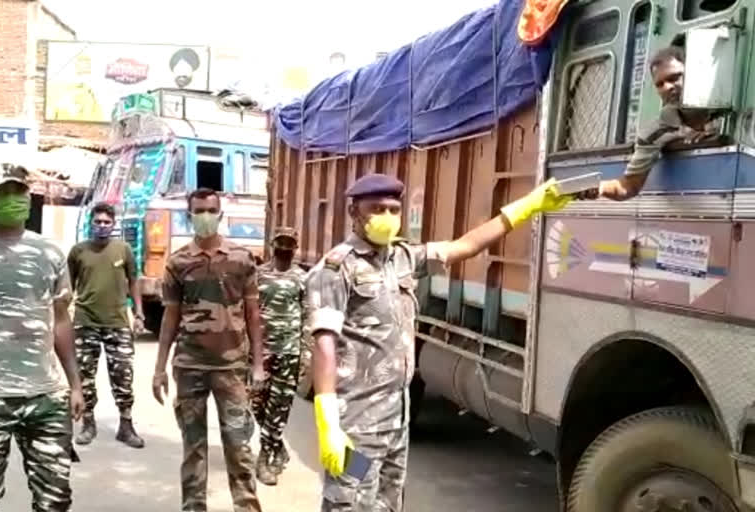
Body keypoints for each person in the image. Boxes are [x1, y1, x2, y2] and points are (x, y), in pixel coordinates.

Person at [307, 173, 571, 511]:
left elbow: (465, 246)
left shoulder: (403, 257)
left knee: (386, 503)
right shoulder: (336, 269)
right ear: (354, 212)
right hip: (355, 425)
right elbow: (324, 343)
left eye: (393, 209)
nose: (387, 217)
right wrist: (328, 422)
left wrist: (527, 207)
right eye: (376, 209)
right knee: (350, 502)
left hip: (394, 421)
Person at [152, 188, 266, 512]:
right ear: (189, 215)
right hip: (190, 368)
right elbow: (170, 318)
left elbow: (254, 315)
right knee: (193, 448)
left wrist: (258, 365)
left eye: (210, 210)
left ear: (220, 213)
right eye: (198, 210)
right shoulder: (178, 263)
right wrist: (160, 368)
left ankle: (246, 507)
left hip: (231, 368)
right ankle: (193, 507)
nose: (204, 216)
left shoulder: (241, 259)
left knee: (238, 446)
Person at [0, 163, 84, 511]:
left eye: (17, 192)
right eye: (1, 193)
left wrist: (74, 384)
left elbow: (60, 321)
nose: (11, 200)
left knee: (55, 500)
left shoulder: (49, 253)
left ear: (29, 197)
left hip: (45, 395)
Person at [67, 202, 145, 448]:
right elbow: (68, 285)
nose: (102, 226)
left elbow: (134, 282)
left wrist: (139, 313)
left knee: (123, 375)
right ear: (91, 223)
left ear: (113, 225)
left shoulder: (124, 250)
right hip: (85, 321)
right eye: (98, 222)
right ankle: (88, 424)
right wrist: (61, 316)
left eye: (106, 222)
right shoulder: (78, 251)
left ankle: (126, 424)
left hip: (117, 322)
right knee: (84, 376)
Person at [597, 46, 719, 201]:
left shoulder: (727, 109)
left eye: (675, 78)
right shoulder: (654, 133)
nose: (667, 87)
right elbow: (628, 186)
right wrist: (599, 188)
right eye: (660, 84)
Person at [252, 227, 307, 486]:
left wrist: (306, 353)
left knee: (279, 406)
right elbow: (247, 311)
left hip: (289, 352)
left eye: (290, 244)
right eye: (280, 243)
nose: (284, 248)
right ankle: (276, 443)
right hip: (260, 351)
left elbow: (308, 316)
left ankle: (266, 456)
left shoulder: (302, 278)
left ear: (295, 248)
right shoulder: (258, 275)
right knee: (255, 403)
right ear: (272, 245)